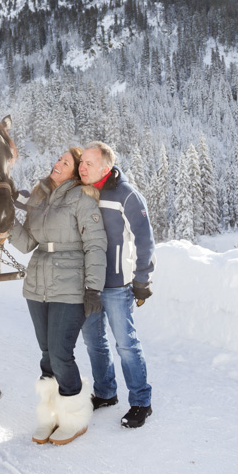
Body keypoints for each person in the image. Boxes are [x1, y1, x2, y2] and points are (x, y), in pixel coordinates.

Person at [9, 147, 107, 445]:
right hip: (38, 283)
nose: (57, 163)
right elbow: (27, 244)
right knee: (47, 355)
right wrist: (4, 222)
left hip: (71, 284)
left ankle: (75, 417)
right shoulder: (40, 197)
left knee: (61, 354)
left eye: (65, 162)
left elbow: (95, 244)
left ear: (76, 171)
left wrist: (93, 288)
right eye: (57, 159)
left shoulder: (82, 198)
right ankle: (50, 416)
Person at [78, 141, 155, 429]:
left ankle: (140, 401)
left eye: (88, 162)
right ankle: (106, 392)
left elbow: (144, 239)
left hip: (116, 286)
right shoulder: (82, 193)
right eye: (81, 162)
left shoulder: (126, 194)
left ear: (105, 167)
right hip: (88, 284)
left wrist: (143, 279)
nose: (81, 166)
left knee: (126, 344)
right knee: (94, 341)